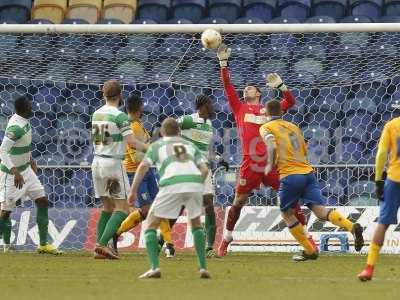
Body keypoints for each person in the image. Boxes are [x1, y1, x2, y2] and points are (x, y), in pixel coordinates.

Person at [216, 44, 315, 257]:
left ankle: (307, 238)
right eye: (246, 89)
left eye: (251, 88)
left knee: (290, 200)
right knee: (238, 202)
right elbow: (227, 86)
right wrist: (223, 63)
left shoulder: (270, 110)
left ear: (259, 93)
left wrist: (281, 86)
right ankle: (226, 238)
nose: (246, 89)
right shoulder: (239, 107)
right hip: (250, 162)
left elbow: (290, 101)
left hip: (273, 161)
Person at [259, 100, 364, 261]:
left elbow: (272, 146)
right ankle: (351, 227)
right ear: (282, 112)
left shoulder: (266, 127)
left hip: (290, 175)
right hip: (307, 173)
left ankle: (310, 250)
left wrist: (269, 165)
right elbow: (304, 148)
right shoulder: (293, 127)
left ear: (266, 113)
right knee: (320, 210)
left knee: (286, 213)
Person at [130, 118, 210, 279]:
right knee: (196, 225)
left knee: (151, 225)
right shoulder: (190, 145)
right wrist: (196, 184)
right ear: (179, 132)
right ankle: (202, 268)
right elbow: (205, 169)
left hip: (171, 184)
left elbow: (143, 167)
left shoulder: (157, 146)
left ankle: (154, 268)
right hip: (194, 183)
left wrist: (132, 191)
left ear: (161, 132)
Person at [92, 80, 147, 259]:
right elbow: (131, 142)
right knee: (122, 208)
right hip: (113, 164)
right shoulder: (120, 116)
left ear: (103, 95)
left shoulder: (96, 113)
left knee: (107, 207)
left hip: (97, 162)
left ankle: (100, 249)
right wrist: (152, 148)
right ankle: (102, 244)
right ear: (120, 95)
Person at [112, 94, 173, 256]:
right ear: (139, 108)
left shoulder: (138, 125)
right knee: (147, 210)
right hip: (135, 173)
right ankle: (116, 233)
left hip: (147, 171)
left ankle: (169, 244)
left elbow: (145, 148)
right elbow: (135, 157)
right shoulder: (132, 127)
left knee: (159, 206)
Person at [0, 95, 61, 254]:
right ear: (24, 109)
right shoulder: (15, 127)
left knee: (42, 201)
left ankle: (43, 244)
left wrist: (31, 160)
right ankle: (6, 245)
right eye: (29, 105)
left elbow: (21, 145)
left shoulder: (23, 121)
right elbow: (3, 151)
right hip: (12, 175)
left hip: (26, 170)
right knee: (5, 212)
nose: (32, 107)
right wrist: (15, 171)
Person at [357, 116, 400, 281]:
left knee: (383, 223)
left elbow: (382, 153)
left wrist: (378, 180)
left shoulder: (392, 125)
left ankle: (369, 268)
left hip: (394, 179)